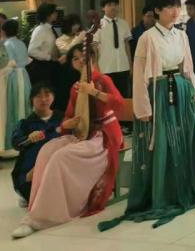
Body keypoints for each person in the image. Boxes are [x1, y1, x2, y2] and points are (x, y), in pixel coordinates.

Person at [99, 0, 195, 231]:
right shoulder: (147, 37)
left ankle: (188, 185)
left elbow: (188, 67)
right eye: (169, 7)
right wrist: (142, 107)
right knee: (161, 141)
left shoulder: (181, 35)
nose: (175, 11)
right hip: (158, 91)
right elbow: (139, 76)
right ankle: (164, 192)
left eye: (176, 6)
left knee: (185, 138)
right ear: (157, 11)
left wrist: (194, 93)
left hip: (180, 88)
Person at [11, 43, 124, 239]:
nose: (79, 61)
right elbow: (68, 119)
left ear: (92, 58)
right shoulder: (75, 87)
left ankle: (46, 216)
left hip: (105, 136)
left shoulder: (102, 80)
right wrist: (67, 124)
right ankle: (37, 208)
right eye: (75, 58)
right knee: (47, 151)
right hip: (84, 133)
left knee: (61, 157)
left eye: (83, 57)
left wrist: (94, 92)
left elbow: (120, 105)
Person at [10, 83, 63, 206]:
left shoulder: (62, 118)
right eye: (38, 96)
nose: (43, 99)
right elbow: (16, 144)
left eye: (47, 95)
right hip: (31, 173)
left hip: (59, 169)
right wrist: (29, 139)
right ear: (32, 100)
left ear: (53, 97)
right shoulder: (25, 124)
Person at [1, 19, 32, 152]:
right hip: (24, 75)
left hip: (12, 77)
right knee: (24, 104)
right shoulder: (21, 43)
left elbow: (10, 64)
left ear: (4, 31)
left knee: (12, 107)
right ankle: (25, 139)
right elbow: (26, 60)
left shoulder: (6, 44)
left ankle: (12, 144)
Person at [26, 3, 63, 110]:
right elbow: (31, 50)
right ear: (48, 15)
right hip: (42, 68)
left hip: (50, 66)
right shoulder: (40, 30)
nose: (56, 14)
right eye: (54, 12)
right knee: (44, 95)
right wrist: (49, 57)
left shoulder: (49, 28)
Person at [96, 0, 133, 99]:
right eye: (109, 5)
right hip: (105, 69)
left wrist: (130, 64)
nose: (113, 7)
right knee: (108, 99)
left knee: (124, 97)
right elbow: (94, 50)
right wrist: (96, 69)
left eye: (115, 4)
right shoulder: (97, 25)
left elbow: (127, 45)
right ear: (103, 8)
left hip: (123, 67)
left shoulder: (124, 23)